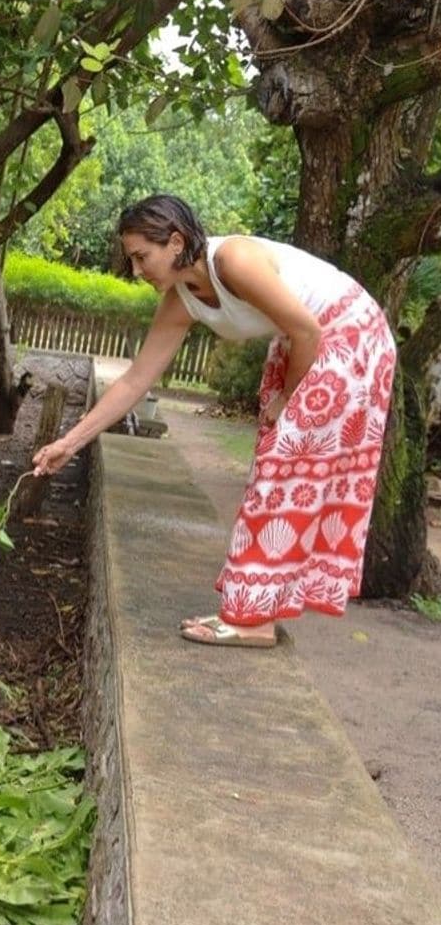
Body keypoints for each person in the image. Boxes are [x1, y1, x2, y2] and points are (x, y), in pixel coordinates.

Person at [32, 194, 397, 646]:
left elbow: (308, 329)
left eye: (141, 257)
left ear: (176, 241)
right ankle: (257, 607)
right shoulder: (180, 300)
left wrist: (286, 397)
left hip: (350, 334)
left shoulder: (233, 260)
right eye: (132, 260)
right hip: (304, 340)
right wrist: (70, 443)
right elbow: (135, 381)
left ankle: (252, 619)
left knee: (283, 469)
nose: (137, 270)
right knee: (276, 470)